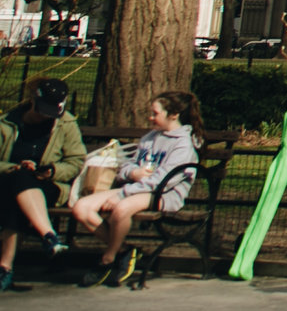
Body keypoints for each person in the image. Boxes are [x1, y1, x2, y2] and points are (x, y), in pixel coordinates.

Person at [70, 89, 202, 288]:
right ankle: (124, 250)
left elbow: (163, 181)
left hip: (164, 195)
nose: (151, 117)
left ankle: (108, 258)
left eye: (155, 113)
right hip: (136, 188)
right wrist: (132, 173)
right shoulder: (149, 137)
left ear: (173, 115)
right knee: (81, 207)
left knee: (121, 209)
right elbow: (127, 166)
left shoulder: (183, 145)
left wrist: (123, 194)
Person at [0, 78, 84, 291]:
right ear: (33, 100)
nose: (46, 116)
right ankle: (49, 237)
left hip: (49, 185)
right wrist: (13, 167)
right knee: (18, 182)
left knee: (17, 192)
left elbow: (75, 162)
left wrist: (51, 170)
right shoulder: (7, 122)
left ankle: (5, 268)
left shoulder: (66, 124)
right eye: (43, 110)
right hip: (9, 180)